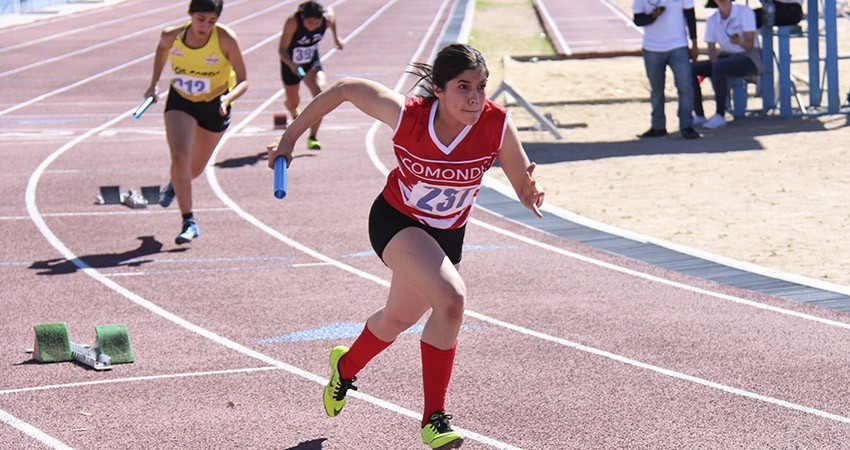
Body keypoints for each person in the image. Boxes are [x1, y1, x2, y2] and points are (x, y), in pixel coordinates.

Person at [267, 43, 545, 450]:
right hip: (397, 222)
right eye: (463, 86)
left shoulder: (497, 124)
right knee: (451, 301)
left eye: (481, 86)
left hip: (446, 235)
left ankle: (345, 367)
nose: (474, 97)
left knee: (395, 320)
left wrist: (529, 192)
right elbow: (345, 88)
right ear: (438, 89)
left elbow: (521, 181)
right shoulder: (408, 115)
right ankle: (434, 418)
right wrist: (290, 138)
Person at [144, 0, 248, 244]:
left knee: (195, 169)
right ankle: (188, 221)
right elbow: (162, 49)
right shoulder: (171, 36)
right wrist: (154, 83)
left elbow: (244, 80)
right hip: (181, 101)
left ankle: (175, 184)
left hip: (215, 106)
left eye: (212, 21)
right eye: (200, 19)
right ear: (190, 15)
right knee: (180, 157)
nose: (205, 26)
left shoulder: (225, 39)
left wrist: (228, 98)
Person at [278, 1, 343, 150]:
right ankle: (291, 107)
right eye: (309, 23)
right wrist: (292, 65)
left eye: (316, 23)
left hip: (311, 62)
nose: (313, 26)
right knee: (294, 102)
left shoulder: (326, 20)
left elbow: (331, 14)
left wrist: (336, 38)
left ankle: (313, 137)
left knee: (320, 94)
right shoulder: (293, 22)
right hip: (290, 63)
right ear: (302, 18)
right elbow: (282, 50)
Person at [633, 0, 701, 139]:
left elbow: (690, 15)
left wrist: (694, 42)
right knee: (656, 90)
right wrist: (652, 16)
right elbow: (638, 20)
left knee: (685, 86)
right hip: (652, 48)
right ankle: (658, 126)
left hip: (678, 46)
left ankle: (686, 126)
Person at [691, 0, 762, 129]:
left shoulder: (744, 12)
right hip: (726, 57)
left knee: (720, 66)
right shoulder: (712, 18)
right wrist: (714, 62)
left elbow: (750, 45)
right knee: (692, 69)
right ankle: (699, 114)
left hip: (748, 58)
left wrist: (739, 42)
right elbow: (711, 48)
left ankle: (720, 115)